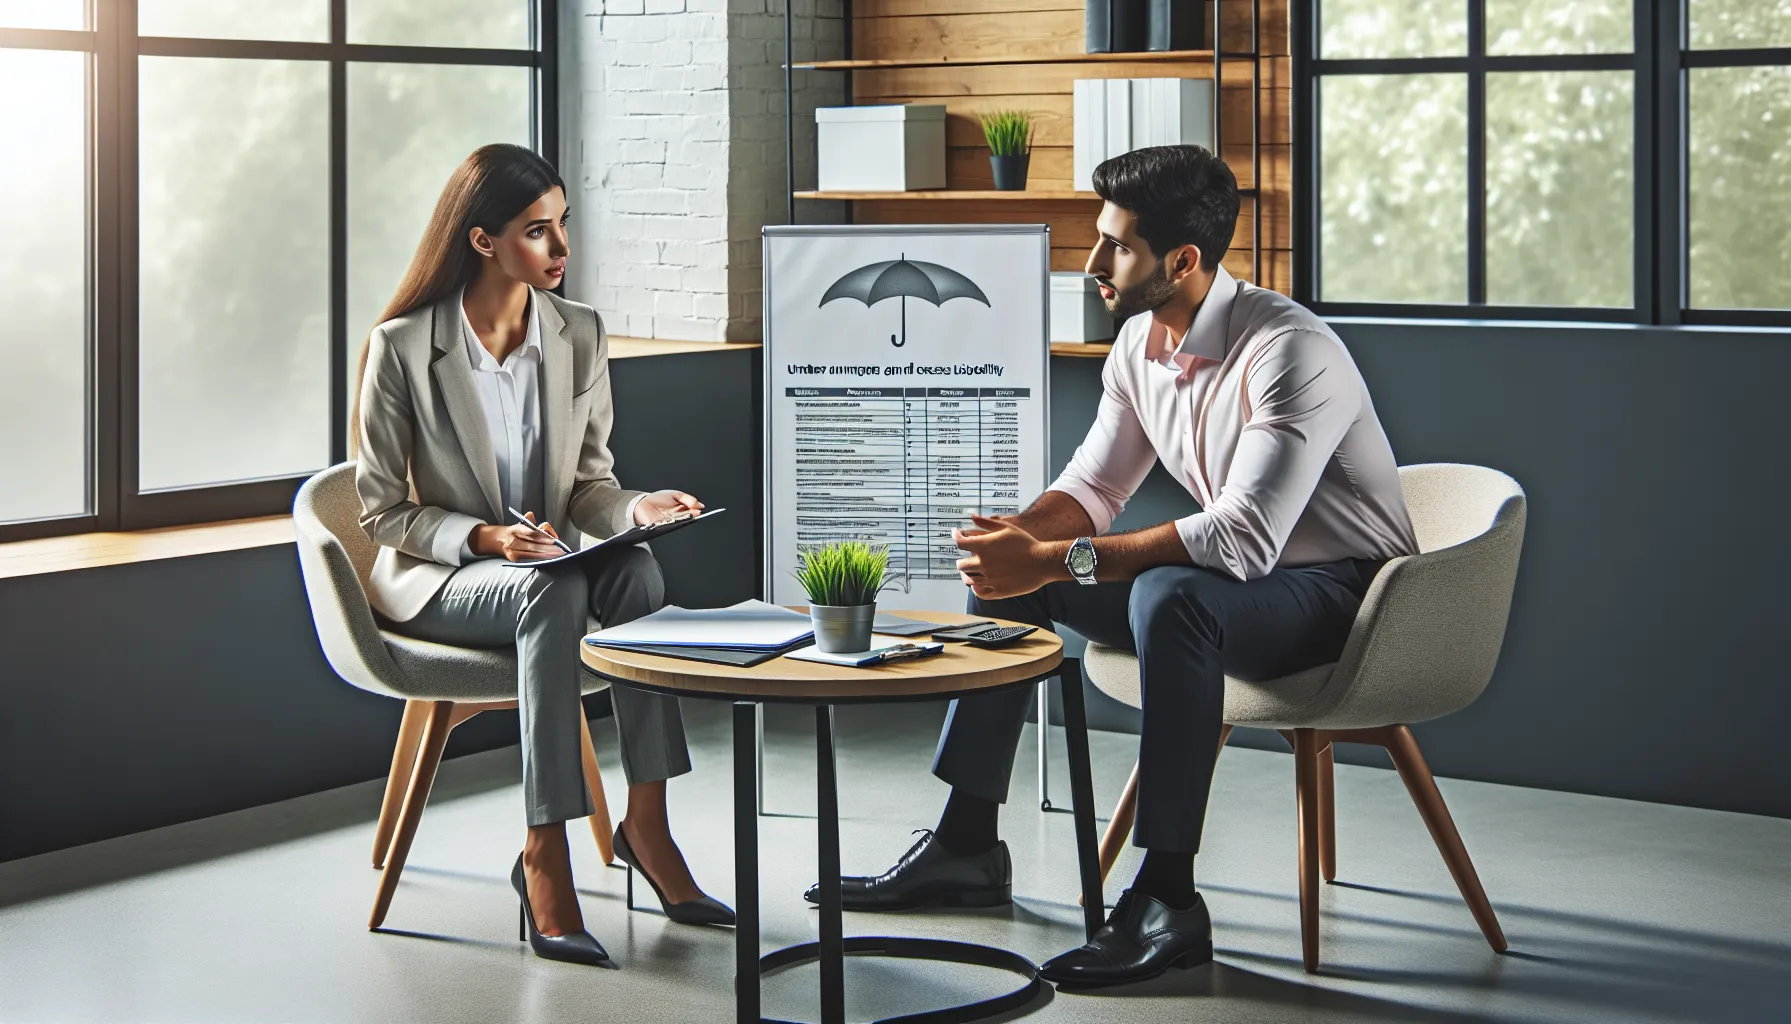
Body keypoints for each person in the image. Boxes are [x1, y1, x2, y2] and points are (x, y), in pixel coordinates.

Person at [808, 145, 1420, 988]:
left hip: (1347, 597)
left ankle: (1169, 897)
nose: (1093, 262)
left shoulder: (1288, 350)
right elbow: (1095, 486)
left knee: (1172, 598)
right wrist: (1014, 544)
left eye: (1116, 247)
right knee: (1015, 581)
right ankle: (966, 843)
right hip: (1240, 586)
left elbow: (1243, 538)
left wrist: (1053, 555)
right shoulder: (1140, 342)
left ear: (1182, 261)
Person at [354, 143, 732, 968]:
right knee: (547, 594)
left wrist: (637, 506)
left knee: (635, 569)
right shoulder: (404, 347)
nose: (562, 250)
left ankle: (648, 826)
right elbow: (382, 512)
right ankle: (544, 852)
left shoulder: (578, 333)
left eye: (564, 225)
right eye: (538, 231)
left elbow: (590, 487)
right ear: (483, 241)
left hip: (547, 565)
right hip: (444, 580)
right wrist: (489, 539)